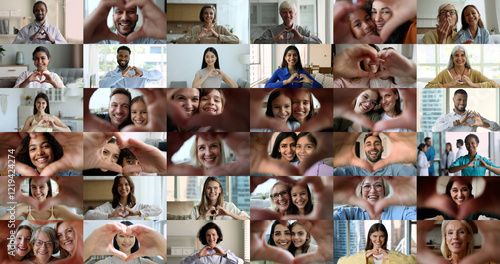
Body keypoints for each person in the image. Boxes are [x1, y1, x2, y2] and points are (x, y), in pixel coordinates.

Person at [84, 0, 166, 44]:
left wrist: (165, 28)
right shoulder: (101, 42)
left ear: (137, 17)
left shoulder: (151, 42)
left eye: (130, 11)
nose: (125, 18)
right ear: (113, 17)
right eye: (119, 12)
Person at [335, 176, 416, 220]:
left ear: (384, 191)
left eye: (378, 185)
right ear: (361, 191)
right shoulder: (346, 214)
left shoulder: (402, 212)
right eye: (367, 186)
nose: (373, 191)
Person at [334, 133, 417, 176]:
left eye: (377, 143)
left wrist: (411, 158)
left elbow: (412, 174)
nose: (373, 147)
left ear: (382, 148)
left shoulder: (394, 167)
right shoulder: (354, 168)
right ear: (364, 149)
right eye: (368, 144)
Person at [0, 178, 82, 220]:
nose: (37, 191)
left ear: (48, 188)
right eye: (33, 187)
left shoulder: (57, 209)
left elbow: (80, 219)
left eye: (42, 187)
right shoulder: (24, 208)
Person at [85, 176, 162, 220]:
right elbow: (88, 215)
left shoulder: (139, 206)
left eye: (126, 184)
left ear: (130, 187)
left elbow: (159, 209)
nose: (123, 188)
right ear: (116, 188)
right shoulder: (108, 206)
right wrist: (110, 215)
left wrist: (136, 213)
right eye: (120, 185)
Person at [425, 45, 499, 88]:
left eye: (462, 55)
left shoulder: (475, 73)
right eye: (456, 55)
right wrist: (449, 84)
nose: (460, 58)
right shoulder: (444, 73)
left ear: (466, 57)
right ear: (452, 57)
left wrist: (473, 85)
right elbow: (427, 87)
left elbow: (495, 85)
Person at [338, 223, 416, 263]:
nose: (378, 240)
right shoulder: (363, 254)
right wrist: (364, 257)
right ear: (370, 237)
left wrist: (390, 257)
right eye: (375, 236)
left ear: (385, 237)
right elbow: (340, 262)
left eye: (381, 236)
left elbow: (415, 261)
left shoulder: (393, 254)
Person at [254, 1, 322, 44]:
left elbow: (319, 43)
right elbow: (256, 43)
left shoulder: (303, 31)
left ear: (295, 14)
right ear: (280, 14)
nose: (288, 15)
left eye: (290, 12)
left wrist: (302, 38)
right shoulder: (272, 31)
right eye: (284, 12)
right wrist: (275, 39)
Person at [432, 89, 500, 132]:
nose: (462, 103)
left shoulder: (474, 117)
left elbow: (497, 127)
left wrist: (484, 124)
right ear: (453, 99)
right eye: (459, 99)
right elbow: (434, 129)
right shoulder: (446, 117)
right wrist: (458, 122)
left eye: (464, 100)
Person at [14, 133, 80, 176]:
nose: (39, 152)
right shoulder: (20, 176)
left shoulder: (69, 176)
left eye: (45, 146)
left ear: (54, 149)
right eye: (33, 149)